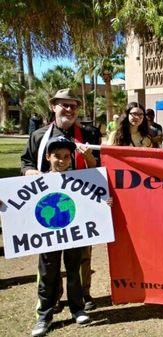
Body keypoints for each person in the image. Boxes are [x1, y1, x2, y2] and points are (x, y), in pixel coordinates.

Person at [21, 89, 99, 313]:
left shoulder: (89, 133)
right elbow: (26, 161)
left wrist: (90, 158)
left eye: (73, 106)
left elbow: (100, 170)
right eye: (64, 105)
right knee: (48, 256)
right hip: (49, 202)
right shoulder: (39, 135)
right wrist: (29, 173)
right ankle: (51, 298)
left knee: (82, 252)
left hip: (80, 200)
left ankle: (83, 294)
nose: (69, 110)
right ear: (53, 106)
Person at [29, 136, 93, 336]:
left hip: (73, 235)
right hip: (48, 236)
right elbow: (21, 205)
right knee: (48, 273)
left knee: (74, 270)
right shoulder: (36, 181)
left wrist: (103, 203)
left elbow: (93, 201)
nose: (62, 161)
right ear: (48, 157)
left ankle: (77, 308)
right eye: (57, 156)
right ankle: (44, 316)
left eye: (66, 156)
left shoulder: (79, 180)